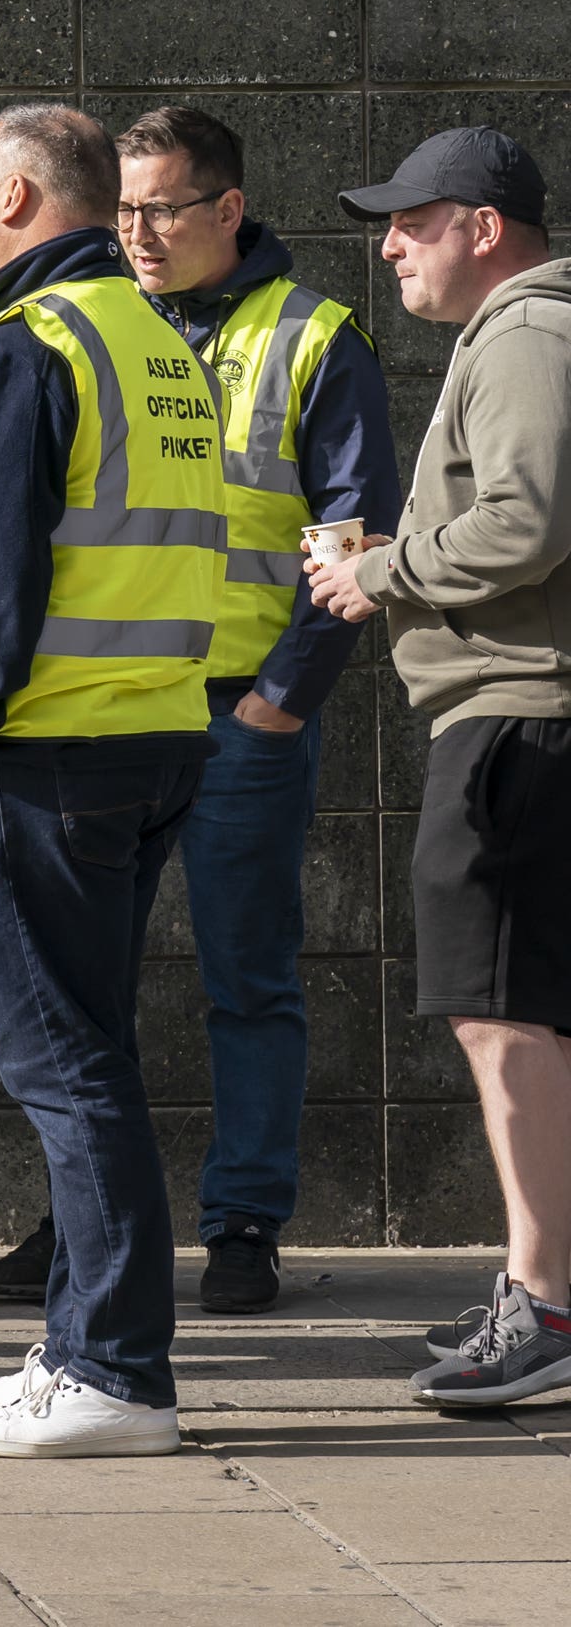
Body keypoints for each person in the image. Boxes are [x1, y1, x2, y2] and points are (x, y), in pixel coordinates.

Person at [0, 107, 396, 1315]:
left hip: (235, 716)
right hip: (103, 706)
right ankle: (80, 1224)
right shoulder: (95, 322)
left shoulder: (312, 335)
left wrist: (279, 703)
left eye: (162, 208)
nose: (138, 233)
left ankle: (244, 1224)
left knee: (246, 977)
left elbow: (353, 532)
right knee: (78, 983)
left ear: (229, 209)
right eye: (122, 210)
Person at [0, 104, 226, 1458]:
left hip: (33, 754)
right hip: (145, 737)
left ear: (19, 195)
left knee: (66, 1062)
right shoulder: (157, 342)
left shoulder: (24, 345)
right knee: (93, 1049)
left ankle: (114, 1366)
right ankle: (86, 1333)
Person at [310, 127, 571, 1408]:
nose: (390, 244)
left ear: (482, 226)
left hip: (514, 722)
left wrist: (376, 572)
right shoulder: (526, 331)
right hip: (524, 718)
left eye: (413, 220)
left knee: (498, 1007)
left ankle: (550, 1304)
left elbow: (526, 520)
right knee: (530, 1008)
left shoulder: (525, 330)